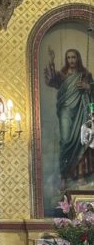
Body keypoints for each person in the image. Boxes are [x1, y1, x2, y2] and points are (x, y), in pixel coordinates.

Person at [44, 47, 94, 183]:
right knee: (66, 141)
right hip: (65, 110)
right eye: (69, 57)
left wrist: (88, 87)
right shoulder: (62, 75)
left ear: (78, 58)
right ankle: (64, 175)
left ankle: (81, 174)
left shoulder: (85, 75)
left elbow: (93, 90)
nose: (71, 60)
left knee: (81, 140)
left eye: (73, 57)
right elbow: (51, 81)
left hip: (81, 111)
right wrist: (51, 61)